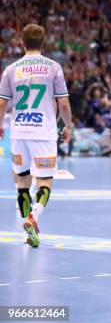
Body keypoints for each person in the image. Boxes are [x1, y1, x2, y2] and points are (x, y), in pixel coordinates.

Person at [0, 24, 72, 247]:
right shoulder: (53, 68)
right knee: (44, 181)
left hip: (19, 132)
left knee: (22, 183)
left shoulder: (11, 69)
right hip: (43, 132)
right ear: (43, 42)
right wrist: (68, 126)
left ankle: (26, 230)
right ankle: (34, 217)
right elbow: (64, 103)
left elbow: (2, 102)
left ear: (22, 42)